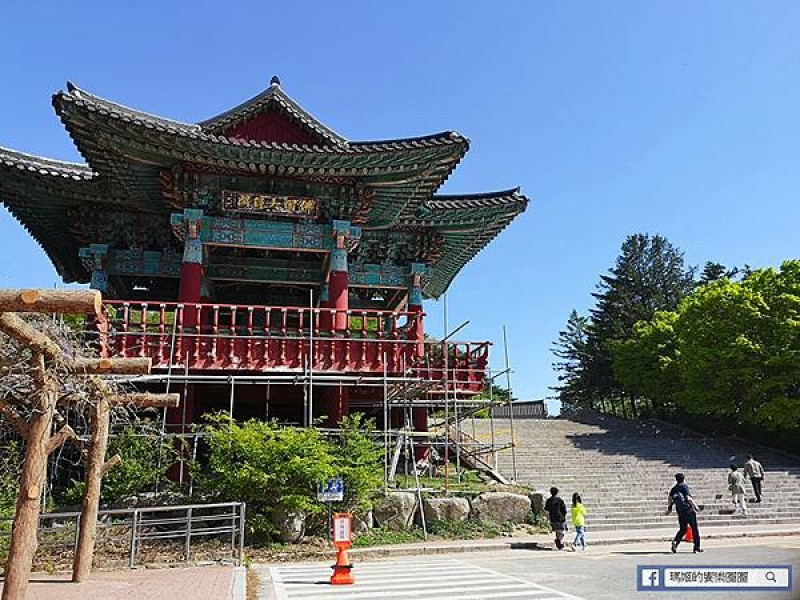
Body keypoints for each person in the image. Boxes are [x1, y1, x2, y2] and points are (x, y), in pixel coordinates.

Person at [666, 472, 702, 553]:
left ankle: (676, 541)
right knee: (694, 529)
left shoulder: (674, 488)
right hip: (688, 510)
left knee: (683, 529)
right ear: (683, 478)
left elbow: (670, 499)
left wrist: (669, 509)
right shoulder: (684, 486)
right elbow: (688, 498)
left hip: (680, 512)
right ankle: (697, 547)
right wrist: (695, 507)